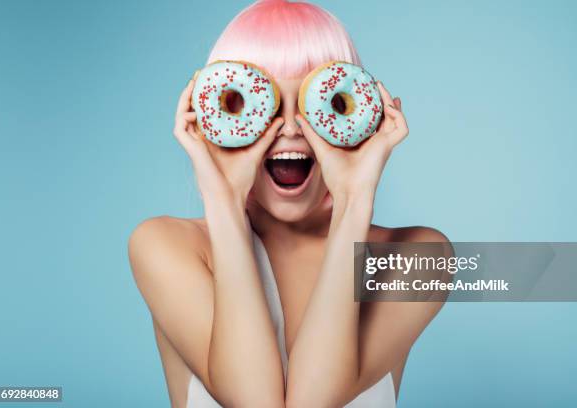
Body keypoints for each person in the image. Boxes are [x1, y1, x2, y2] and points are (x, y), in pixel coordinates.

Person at [129, 1, 448, 406]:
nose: (293, 128)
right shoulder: (165, 245)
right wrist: (223, 201)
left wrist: (354, 201)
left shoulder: (418, 258)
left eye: (321, 103)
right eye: (264, 105)